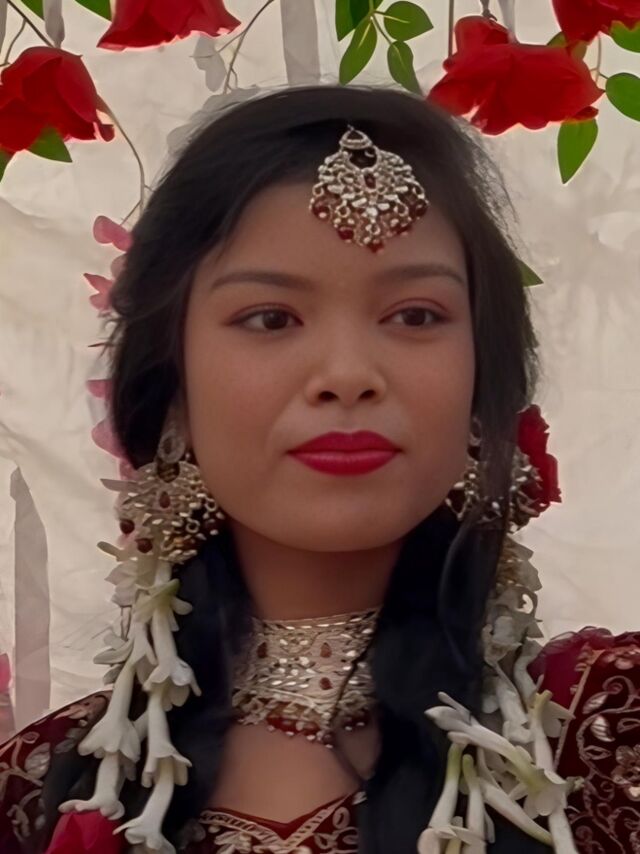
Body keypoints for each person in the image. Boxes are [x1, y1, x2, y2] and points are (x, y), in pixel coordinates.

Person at [0, 84, 637, 854]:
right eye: (271, 319)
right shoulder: (41, 796)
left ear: (482, 390)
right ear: (173, 394)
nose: (346, 374)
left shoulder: (605, 734)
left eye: (415, 315)